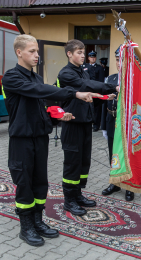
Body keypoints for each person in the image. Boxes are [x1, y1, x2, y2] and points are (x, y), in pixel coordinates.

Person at [1, 34, 101, 246]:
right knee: (24, 183)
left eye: (37, 51)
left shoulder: (37, 78)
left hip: (40, 138)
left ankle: (38, 221)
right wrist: (74, 94)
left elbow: (42, 106)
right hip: (22, 141)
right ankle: (26, 226)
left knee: (40, 182)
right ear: (19, 52)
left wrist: (56, 115)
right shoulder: (12, 77)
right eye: (32, 51)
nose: (37, 55)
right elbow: (38, 92)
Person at [57, 39, 118, 216]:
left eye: (84, 53)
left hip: (85, 123)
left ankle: (78, 194)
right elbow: (86, 86)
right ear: (69, 54)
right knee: (72, 163)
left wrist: (103, 97)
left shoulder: (83, 72)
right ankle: (69, 200)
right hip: (72, 124)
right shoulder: (66, 74)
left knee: (84, 162)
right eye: (79, 53)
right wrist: (112, 87)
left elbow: (89, 92)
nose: (83, 56)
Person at [101, 46, 135, 201]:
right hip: (111, 120)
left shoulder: (134, 79)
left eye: (122, 59)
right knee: (112, 154)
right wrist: (103, 126)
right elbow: (104, 103)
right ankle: (115, 183)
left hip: (127, 124)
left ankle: (128, 185)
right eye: (116, 59)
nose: (119, 63)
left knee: (127, 155)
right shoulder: (110, 79)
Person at [82, 50, 105, 132]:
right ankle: (88, 123)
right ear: (88, 58)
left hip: (96, 90)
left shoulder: (99, 68)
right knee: (86, 107)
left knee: (97, 109)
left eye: (94, 57)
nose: (93, 58)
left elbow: (101, 80)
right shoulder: (84, 66)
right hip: (86, 91)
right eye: (91, 57)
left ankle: (96, 125)